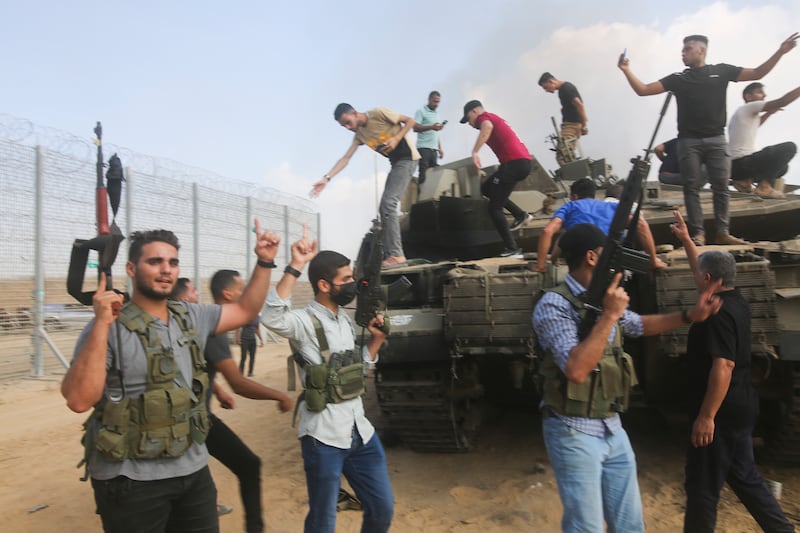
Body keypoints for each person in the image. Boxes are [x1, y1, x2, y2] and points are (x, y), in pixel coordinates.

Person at [61, 222, 280, 533]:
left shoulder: (190, 316)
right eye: (155, 261)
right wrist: (100, 323)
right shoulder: (109, 325)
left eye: (172, 262)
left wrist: (265, 260)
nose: (166, 270)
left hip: (192, 471)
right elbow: (79, 399)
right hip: (131, 481)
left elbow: (245, 310)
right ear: (132, 268)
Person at [533, 222, 723, 532]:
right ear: (592, 257)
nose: (617, 263)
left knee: (630, 524)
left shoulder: (606, 298)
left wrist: (690, 316)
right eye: (611, 254)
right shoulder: (554, 304)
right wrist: (609, 316)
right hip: (573, 429)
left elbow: (639, 325)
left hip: (611, 426)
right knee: (586, 526)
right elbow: (576, 370)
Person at [669, 212, 795, 533]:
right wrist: (686, 241)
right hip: (742, 406)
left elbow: (723, 365)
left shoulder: (717, 313)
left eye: (700, 274)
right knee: (745, 477)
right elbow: (706, 270)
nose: (696, 275)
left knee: (702, 489)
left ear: (709, 279)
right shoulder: (734, 299)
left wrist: (706, 416)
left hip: (720, 414)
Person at [263, 227, 393, 533]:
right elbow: (271, 318)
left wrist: (374, 343)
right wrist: (295, 266)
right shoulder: (304, 322)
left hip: (360, 431)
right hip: (323, 437)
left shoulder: (345, 322)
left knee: (382, 508)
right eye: (345, 280)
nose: (352, 285)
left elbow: (355, 372)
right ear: (323, 285)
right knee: (323, 520)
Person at [618, 32, 799, 246]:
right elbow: (644, 90)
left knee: (720, 187)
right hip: (689, 141)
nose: (683, 53)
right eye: (683, 49)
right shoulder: (678, 79)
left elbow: (758, 72)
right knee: (691, 187)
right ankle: (698, 234)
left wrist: (780, 51)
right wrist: (626, 70)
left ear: (701, 51)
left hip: (716, 140)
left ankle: (723, 232)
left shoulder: (721, 72)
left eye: (687, 49)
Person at [205, 269, 292, 533]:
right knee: (247, 464)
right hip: (194, 420)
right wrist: (279, 395)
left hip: (196, 417)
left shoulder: (206, 323)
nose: (247, 295)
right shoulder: (213, 327)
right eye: (242, 289)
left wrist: (217, 391)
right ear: (227, 294)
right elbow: (239, 383)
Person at [310, 103, 419, 267]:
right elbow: (345, 158)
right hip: (396, 163)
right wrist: (326, 178)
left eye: (348, 122)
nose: (347, 128)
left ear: (354, 113)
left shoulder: (379, 113)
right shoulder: (359, 135)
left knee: (388, 204)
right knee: (384, 207)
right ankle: (393, 254)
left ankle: (397, 255)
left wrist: (397, 138)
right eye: (343, 126)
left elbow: (410, 120)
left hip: (408, 158)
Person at [535, 177, 666, 272]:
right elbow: (640, 224)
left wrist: (541, 265)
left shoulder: (570, 206)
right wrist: (653, 261)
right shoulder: (610, 207)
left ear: (574, 196)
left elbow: (548, 231)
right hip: (608, 261)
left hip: (580, 264)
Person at [460, 99, 533, 258]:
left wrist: (475, 152)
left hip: (514, 164)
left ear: (474, 112)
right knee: (486, 188)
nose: (470, 124)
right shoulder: (493, 116)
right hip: (520, 163)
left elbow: (487, 127)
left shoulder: (484, 118)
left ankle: (513, 248)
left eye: (469, 120)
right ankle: (521, 215)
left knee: (494, 208)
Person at [728, 82, 800, 198]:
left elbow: (756, 125)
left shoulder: (745, 115)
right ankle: (764, 187)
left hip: (736, 168)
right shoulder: (748, 107)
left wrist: (769, 113)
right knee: (789, 148)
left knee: (783, 168)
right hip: (740, 163)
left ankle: (743, 180)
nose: (764, 95)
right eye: (759, 92)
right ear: (748, 96)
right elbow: (783, 101)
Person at [538, 72, 588, 165]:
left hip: (572, 125)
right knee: (567, 155)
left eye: (546, 87)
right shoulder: (563, 90)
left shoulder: (566, 88)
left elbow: (579, 105)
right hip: (571, 125)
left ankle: (574, 177)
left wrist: (584, 124)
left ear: (551, 81)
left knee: (562, 155)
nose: (546, 90)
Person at [413, 90, 446, 186]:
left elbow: (435, 133)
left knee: (434, 174)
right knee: (423, 174)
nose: (436, 104)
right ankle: (420, 197)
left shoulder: (437, 114)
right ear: (429, 99)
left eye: (438, 102)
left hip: (434, 149)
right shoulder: (421, 111)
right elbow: (415, 128)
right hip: (423, 148)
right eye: (435, 101)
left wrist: (440, 148)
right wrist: (431, 126)